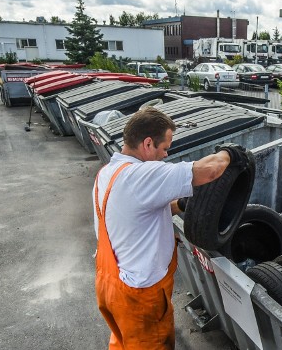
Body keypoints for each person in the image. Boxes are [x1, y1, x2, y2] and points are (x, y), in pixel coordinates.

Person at [92, 108, 248, 350]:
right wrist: (230, 153)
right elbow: (210, 170)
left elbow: (141, 213)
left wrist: (181, 205)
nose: (165, 155)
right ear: (147, 143)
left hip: (111, 284)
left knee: (124, 343)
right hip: (141, 295)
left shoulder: (108, 173)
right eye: (164, 148)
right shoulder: (142, 175)